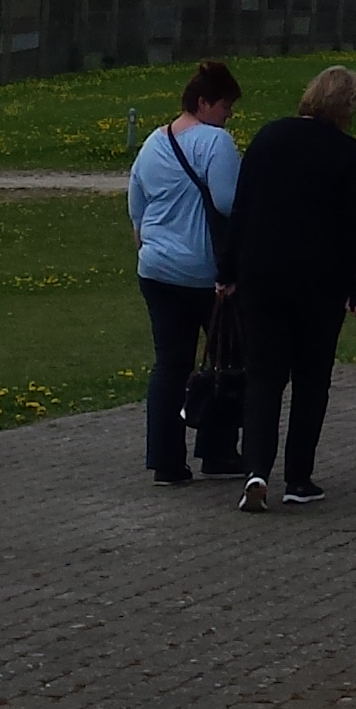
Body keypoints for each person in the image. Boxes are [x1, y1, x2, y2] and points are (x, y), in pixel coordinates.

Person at [221, 62, 356, 512]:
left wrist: (226, 271)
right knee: (311, 380)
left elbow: (242, 207)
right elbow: (355, 223)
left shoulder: (268, 137)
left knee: (264, 377)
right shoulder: (346, 152)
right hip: (319, 282)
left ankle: (255, 470)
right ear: (346, 107)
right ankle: (298, 478)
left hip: (262, 275)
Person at [127, 59, 243, 486]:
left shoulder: (154, 142)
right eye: (226, 106)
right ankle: (217, 449)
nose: (228, 115)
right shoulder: (216, 143)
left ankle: (166, 460)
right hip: (204, 272)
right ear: (205, 103)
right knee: (226, 360)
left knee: (170, 365)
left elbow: (136, 205)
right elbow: (229, 202)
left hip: (157, 269)